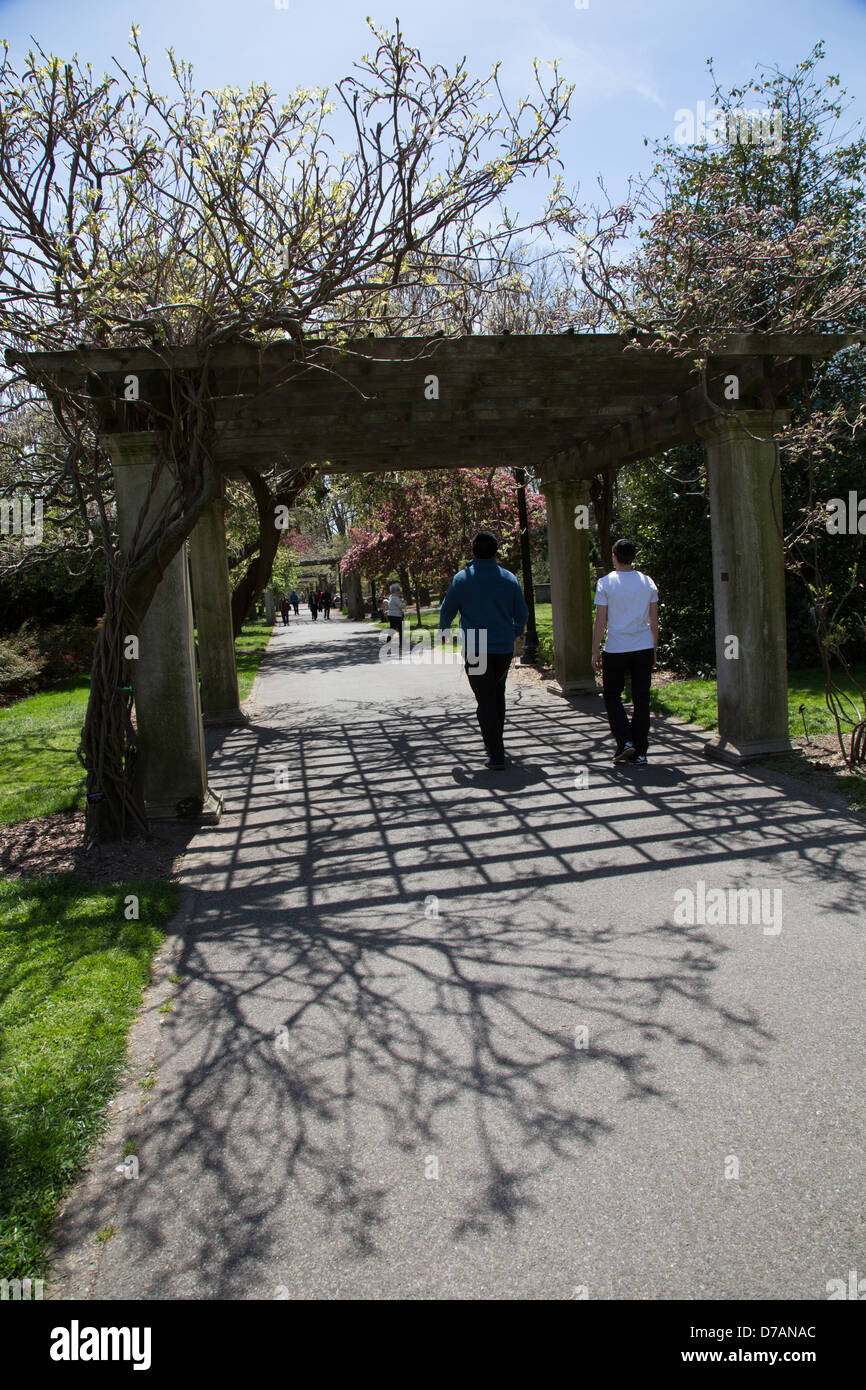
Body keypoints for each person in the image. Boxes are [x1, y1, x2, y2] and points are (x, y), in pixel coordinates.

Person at [439, 530, 528, 770]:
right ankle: (495, 744)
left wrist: (444, 631)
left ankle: (496, 752)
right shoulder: (509, 578)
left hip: (476, 646)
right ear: (496, 551)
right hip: (502, 646)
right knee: (497, 694)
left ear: (473, 551)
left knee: (485, 699)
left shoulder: (462, 578)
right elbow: (522, 613)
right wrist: (517, 630)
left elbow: (447, 610)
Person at [592, 538, 659, 766]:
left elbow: (600, 620)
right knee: (642, 698)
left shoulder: (605, 583)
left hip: (616, 647)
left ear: (614, 556)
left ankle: (624, 742)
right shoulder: (647, 582)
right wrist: (655, 648)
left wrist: (594, 650)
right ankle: (640, 750)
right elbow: (654, 620)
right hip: (642, 646)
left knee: (612, 695)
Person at [386, 582, 405, 656]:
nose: (399, 591)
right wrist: (405, 603)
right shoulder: (395, 598)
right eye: (398, 590)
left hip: (391, 615)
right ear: (394, 591)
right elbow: (400, 606)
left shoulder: (391, 597)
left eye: (399, 589)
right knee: (400, 630)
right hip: (396, 616)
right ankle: (401, 645)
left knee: (392, 630)